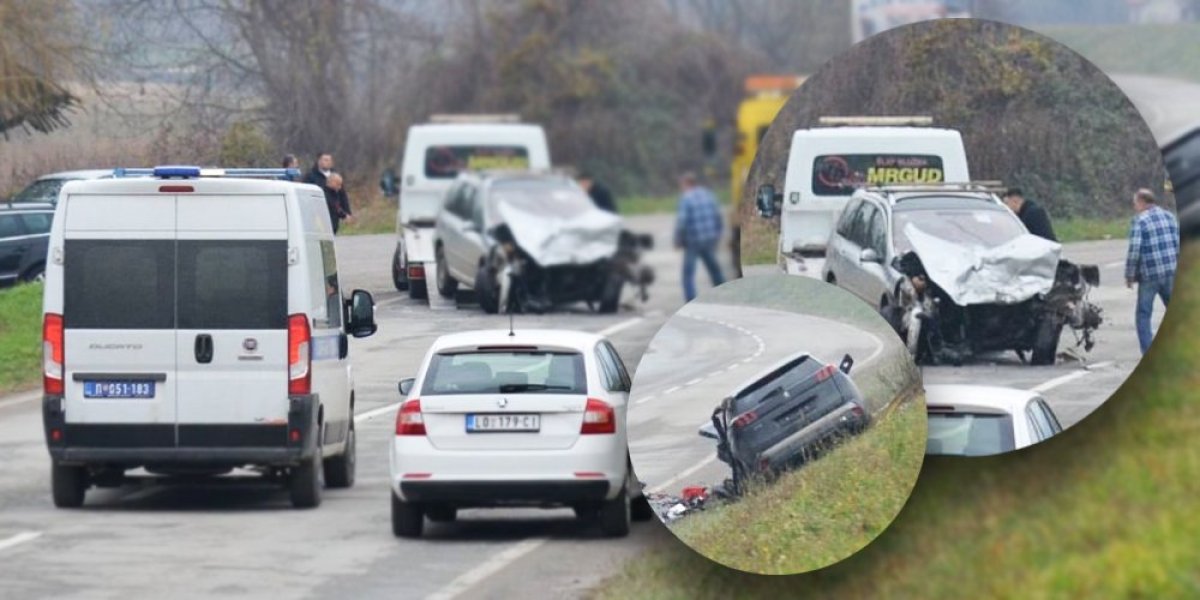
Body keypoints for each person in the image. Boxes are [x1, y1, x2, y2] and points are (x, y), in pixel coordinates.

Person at [1125, 188, 1179, 354]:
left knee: (1143, 314)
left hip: (1150, 275)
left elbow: (1134, 250)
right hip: (1171, 272)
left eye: (1135, 203)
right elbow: (1177, 243)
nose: (1135, 207)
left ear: (1142, 202)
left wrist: (1129, 275)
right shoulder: (1169, 216)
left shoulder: (1140, 221)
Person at [674, 171, 725, 302]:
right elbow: (718, 217)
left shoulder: (686, 198)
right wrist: (717, 235)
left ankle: (690, 300)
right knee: (715, 270)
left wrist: (678, 240)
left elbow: (682, 222)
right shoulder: (708, 195)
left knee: (688, 274)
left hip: (693, 241)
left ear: (686, 184)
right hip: (709, 239)